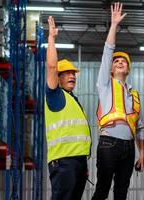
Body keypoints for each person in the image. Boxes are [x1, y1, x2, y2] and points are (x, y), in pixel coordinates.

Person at [92, 2, 144, 200]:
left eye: (124, 61)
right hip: (108, 144)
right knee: (102, 190)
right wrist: (114, 25)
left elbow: (139, 127)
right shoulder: (105, 84)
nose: (120, 62)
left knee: (121, 193)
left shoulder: (134, 95)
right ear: (111, 70)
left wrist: (142, 154)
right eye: (116, 61)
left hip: (129, 147)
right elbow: (107, 53)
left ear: (128, 70)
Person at [45, 16, 91, 200]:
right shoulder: (55, 95)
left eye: (73, 73)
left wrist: (83, 164)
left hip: (77, 162)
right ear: (58, 77)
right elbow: (51, 66)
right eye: (67, 73)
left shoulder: (73, 100)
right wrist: (52, 38)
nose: (72, 76)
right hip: (64, 162)